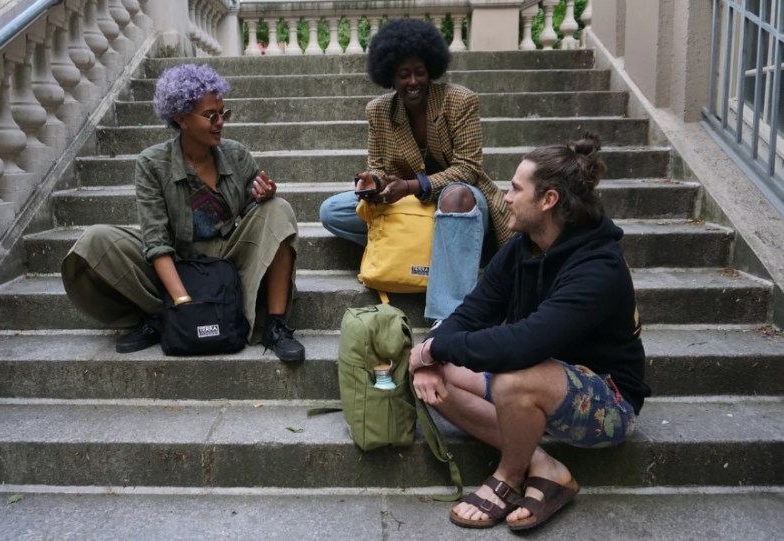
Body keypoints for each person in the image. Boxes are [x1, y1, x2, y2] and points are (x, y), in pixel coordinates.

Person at [408, 134, 651, 531]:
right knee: (432, 377)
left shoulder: (598, 268)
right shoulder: (525, 246)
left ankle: (507, 475)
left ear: (549, 199)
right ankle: (542, 465)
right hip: (537, 380)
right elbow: (471, 313)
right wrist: (429, 354)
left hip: (607, 400)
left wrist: (432, 349)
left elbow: (523, 344)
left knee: (513, 376)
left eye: (515, 189)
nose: (505, 197)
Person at [61, 63, 305, 362]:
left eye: (223, 113)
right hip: (176, 263)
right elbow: (156, 241)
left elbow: (257, 220)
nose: (220, 122)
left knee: (278, 209)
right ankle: (164, 314)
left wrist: (262, 197)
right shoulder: (152, 163)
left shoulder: (236, 153)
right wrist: (183, 302)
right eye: (210, 115)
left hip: (227, 264)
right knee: (95, 241)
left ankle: (275, 325)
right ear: (181, 118)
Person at [319, 18, 512, 320]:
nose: (413, 82)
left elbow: (468, 169)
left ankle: (448, 317)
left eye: (419, 72)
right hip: (410, 207)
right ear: (390, 77)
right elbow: (378, 166)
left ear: (431, 70)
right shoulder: (379, 110)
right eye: (404, 74)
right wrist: (372, 183)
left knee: (458, 195)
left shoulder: (460, 101)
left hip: (460, 202)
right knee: (333, 210)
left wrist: (411, 186)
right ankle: (432, 254)